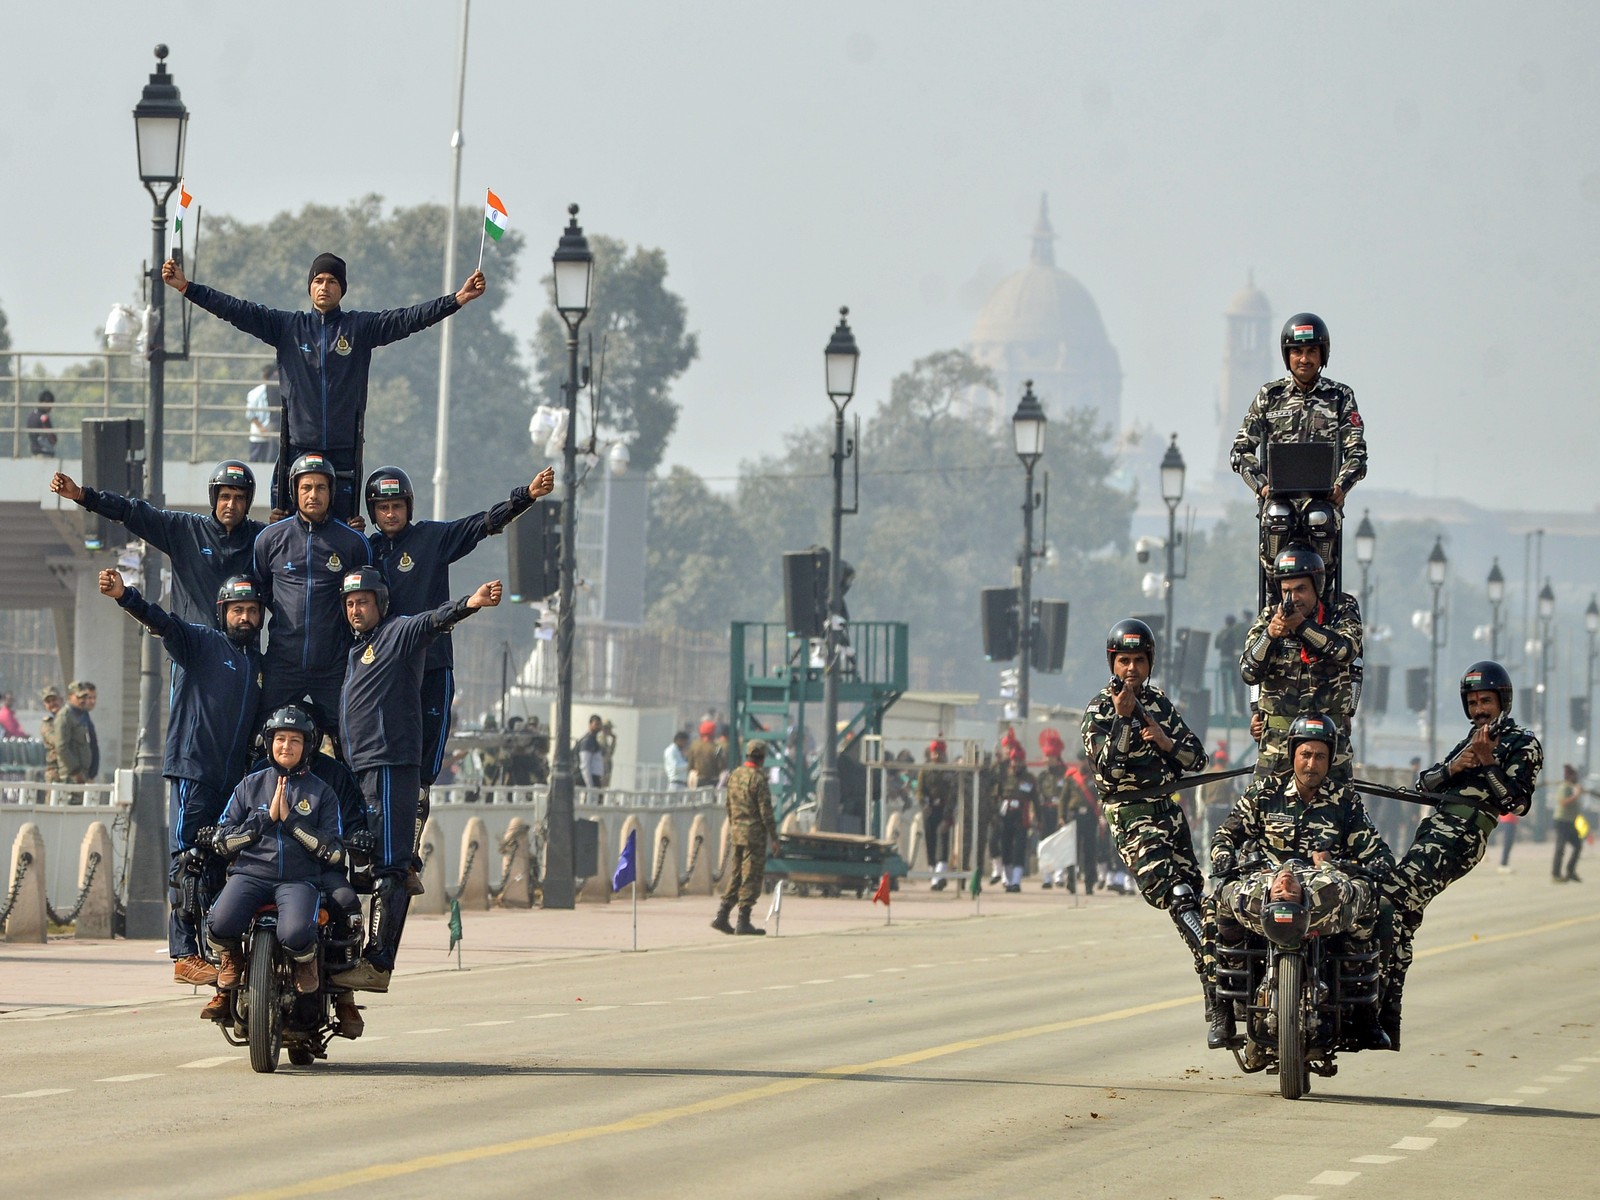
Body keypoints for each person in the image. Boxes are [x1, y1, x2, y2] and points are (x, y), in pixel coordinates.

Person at [162, 253, 487, 520]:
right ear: (309, 287)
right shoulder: (287, 327)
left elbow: (408, 319)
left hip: (344, 454)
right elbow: (234, 309)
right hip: (297, 449)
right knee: (282, 531)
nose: (324, 287)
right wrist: (187, 287)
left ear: (342, 289)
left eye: (332, 281)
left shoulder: (360, 328)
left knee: (345, 534)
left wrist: (456, 299)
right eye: (318, 280)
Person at [330, 568, 502, 992]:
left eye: (363, 602)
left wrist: (470, 602)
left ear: (381, 605)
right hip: (359, 771)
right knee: (362, 862)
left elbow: (433, 620)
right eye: (350, 604)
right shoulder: (356, 650)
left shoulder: (397, 633)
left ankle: (378, 962)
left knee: (392, 866)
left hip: (391, 765)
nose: (356, 610)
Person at [99, 568, 264, 987]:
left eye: (252, 611)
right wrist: (125, 595)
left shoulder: (258, 665)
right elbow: (162, 621)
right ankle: (184, 953)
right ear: (222, 612)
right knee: (187, 862)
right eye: (237, 610)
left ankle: (223, 961)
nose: (244, 617)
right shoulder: (203, 643)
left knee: (217, 867)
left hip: (235, 782)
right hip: (194, 769)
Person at [1379, 661, 1542, 1049]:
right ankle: (1387, 1014)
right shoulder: (1470, 739)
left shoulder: (1522, 743)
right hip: (1435, 830)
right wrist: (1456, 764)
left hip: (1464, 834)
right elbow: (1425, 785)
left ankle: (1379, 1008)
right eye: (1472, 703)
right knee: (1403, 915)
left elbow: (1516, 804)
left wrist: (1487, 763)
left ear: (1502, 701)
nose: (1479, 709)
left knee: (1387, 900)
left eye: (1485, 701)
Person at [365, 463, 555, 797]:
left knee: (429, 747)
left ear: (408, 506)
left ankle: (419, 806)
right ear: (373, 511)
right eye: (383, 508)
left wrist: (526, 497)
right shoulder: (367, 550)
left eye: (397, 506)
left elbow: (481, 525)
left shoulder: (431, 539)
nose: (391, 514)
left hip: (434, 661)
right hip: (387, 669)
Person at [1208, 713, 1394, 1051]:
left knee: (1375, 903)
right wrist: (1223, 858)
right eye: (1305, 754)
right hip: (1267, 888)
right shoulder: (1265, 792)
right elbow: (1225, 835)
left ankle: (1366, 1010)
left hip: (1323, 895)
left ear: (1329, 759)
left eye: (1320, 756)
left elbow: (1378, 852)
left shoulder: (1345, 801)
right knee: (1215, 903)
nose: (1312, 764)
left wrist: (1352, 866)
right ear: (1292, 754)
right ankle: (1220, 1005)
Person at [1081, 620, 1210, 1014]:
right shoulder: (1099, 710)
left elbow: (1197, 759)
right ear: (1112, 663)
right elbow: (1107, 773)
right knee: (1175, 893)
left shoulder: (1159, 703)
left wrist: (1166, 742)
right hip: (1131, 809)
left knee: (1195, 894)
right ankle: (1210, 952)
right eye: (1124, 661)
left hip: (1167, 807)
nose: (1131, 669)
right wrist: (1123, 722)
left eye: (1138, 660)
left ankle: (1217, 994)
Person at [202, 705, 345, 1011]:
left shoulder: (323, 793)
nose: (286, 746)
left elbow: (333, 852)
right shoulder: (249, 786)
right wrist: (264, 820)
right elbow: (222, 841)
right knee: (219, 923)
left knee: (296, 934)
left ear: (307, 746)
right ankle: (232, 958)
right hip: (250, 874)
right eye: (280, 739)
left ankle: (306, 962)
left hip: (299, 879)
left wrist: (292, 822)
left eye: (295, 740)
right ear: (270, 743)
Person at [52, 461, 265, 628]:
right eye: (225, 496)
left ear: (248, 503)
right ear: (214, 498)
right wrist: (83, 495)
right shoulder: (187, 530)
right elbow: (132, 512)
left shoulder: (264, 538)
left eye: (239, 498)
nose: (231, 504)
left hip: (242, 653)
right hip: (192, 651)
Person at [252, 453, 371, 722]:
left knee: (350, 736)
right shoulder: (269, 539)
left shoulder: (353, 543)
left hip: (334, 666)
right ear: (295, 492)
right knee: (260, 735)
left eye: (321, 487)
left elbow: (367, 599)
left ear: (331, 492)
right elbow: (262, 595)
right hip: (282, 664)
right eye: (306, 487)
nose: (313, 494)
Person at [1240, 546, 1362, 782]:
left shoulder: (1340, 610)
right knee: (1264, 811)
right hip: (1278, 742)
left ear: (1316, 587)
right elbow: (1248, 672)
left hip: (1328, 743)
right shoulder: (1269, 616)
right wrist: (1270, 635)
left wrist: (1302, 627)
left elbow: (1346, 650)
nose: (1293, 599)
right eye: (1286, 590)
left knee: (1338, 812)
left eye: (1301, 589)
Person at [1230, 313, 1367, 507]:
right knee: (1279, 520)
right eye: (1297, 351)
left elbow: (1357, 452)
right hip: (1278, 502)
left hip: (1323, 502)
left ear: (1323, 354)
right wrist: (1262, 486)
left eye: (1311, 351)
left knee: (1321, 518)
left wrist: (1340, 487)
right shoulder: (1269, 396)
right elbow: (1240, 451)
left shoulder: (1340, 396)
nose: (1304, 359)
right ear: (1288, 355)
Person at [711, 739, 779, 936]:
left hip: (737, 833)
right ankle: (743, 920)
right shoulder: (758, 779)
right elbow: (766, 812)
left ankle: (722, 915)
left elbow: (728, 805)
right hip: (754, 836)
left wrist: (734, 825)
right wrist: (773, 837)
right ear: (762, 758)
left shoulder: (735, 775)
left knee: (737, 875)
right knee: (751, 876)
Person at [918, 738, 957, 890]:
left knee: (943, 839)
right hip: (930, 809)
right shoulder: (925, 770)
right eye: (934, 753)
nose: (937, 756)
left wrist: (951, 809)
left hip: (945, 809)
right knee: (930, 840)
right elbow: (920, 790)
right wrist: (923, 803)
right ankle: (934, 873)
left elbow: (954, 791)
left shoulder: (950, 770)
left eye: (939, 753)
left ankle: (939, 875)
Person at [997, 744, 1034, 892]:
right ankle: (1007, 877)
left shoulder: (1030, 778)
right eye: (1014, 760)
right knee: (1005, 846)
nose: (1016, 763)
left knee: (1020, 847)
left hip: (1022, 815)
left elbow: (1035, 799)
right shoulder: (1004, 776)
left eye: (1019, 761)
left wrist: (1036, 816)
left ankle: (1016, 880)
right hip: (1006, 815)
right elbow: (996, 795)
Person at [57, 680, 100, 786]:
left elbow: (92, 744)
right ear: (70, 697)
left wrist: (91, 773)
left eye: (85, 697)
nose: (82, 700)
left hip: (83, 774)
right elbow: (62, 747)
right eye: (79, 697)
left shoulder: (82, 715)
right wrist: (75, 771)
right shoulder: (65, 717)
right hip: (71, 776)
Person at [1551, 764, 1585, 883]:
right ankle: (1556, 874)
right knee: (1560, 848)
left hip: (1570, 822)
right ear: (1570, 776)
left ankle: (1570, 871)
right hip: (1562, 821)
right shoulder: (1564, 787)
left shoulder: (1572, 787)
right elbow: (1563, 802)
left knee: (1578, 845)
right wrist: (1576, 795)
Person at [245, 363, 278, 463]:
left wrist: (261, 429)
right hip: (271, 433)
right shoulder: (277, 390)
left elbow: (250, 415)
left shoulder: (254, 392)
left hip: (258, 435)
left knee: (255, 464)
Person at [687, 719, 725, 789]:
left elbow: (690, 764)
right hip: (712, 781)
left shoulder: (694, 746)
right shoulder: (717, 748)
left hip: (697, 780)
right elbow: (721, 766)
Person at [38, 685, 64, 782]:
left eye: (54, 699)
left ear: (61, 700)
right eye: (48, 702)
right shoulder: (47, 723)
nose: (52, 703)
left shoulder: (71, 719)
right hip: (55, 770)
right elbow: (56, 741)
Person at [575, 714, 606, 790]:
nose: (598, 727)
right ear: (590, 724)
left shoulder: (594, 740)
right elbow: (585, 765)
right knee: (591, 801)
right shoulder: (588, 741)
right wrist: (590, 785)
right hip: (590, 778)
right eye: (596, 724)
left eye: (599, 724)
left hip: (595, 777)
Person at [27, 389, 58, 457]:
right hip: (45, 453)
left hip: (34, 452)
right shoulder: (44, 418)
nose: (51, 407)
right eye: (50, 404)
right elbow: (53, 439)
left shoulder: (31, 415)